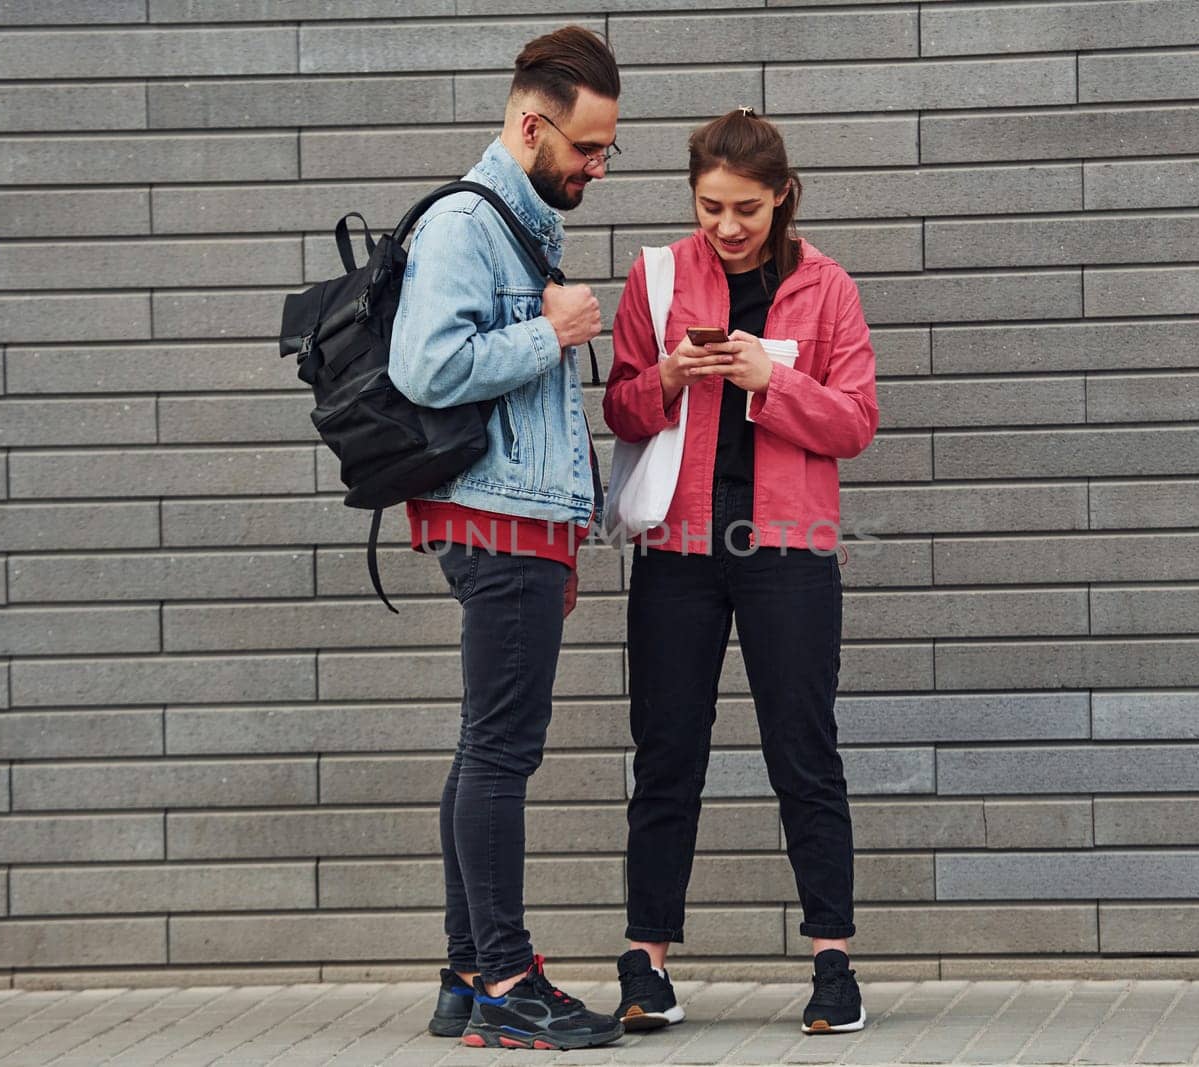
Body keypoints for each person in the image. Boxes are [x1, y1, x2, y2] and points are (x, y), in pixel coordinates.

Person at [602, 108, 879, 1036]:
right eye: (711, 206)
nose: (727, 226)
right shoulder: (657, 278)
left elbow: (856, 422)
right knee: (667, 753)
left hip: (789, 550)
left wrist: (772, 379)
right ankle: (647, 966)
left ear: (782, 198)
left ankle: (833, 965)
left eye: (747, 209)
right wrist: (672, 376)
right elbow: (622, 408)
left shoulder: (826, 287)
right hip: (677, 553)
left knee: (804, 752)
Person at [389, 25, 624, 1052]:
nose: (598, 166)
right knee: (501, 751)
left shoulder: (516, 226)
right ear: (531, 124)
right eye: (585, 147)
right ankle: (506, 974)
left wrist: (565, 532)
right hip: (495, 521)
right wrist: (554, 331)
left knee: (481, 746)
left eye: (607, 148)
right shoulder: (464, 226)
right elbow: (427, 368)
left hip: (516, 523)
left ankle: (461, 971)